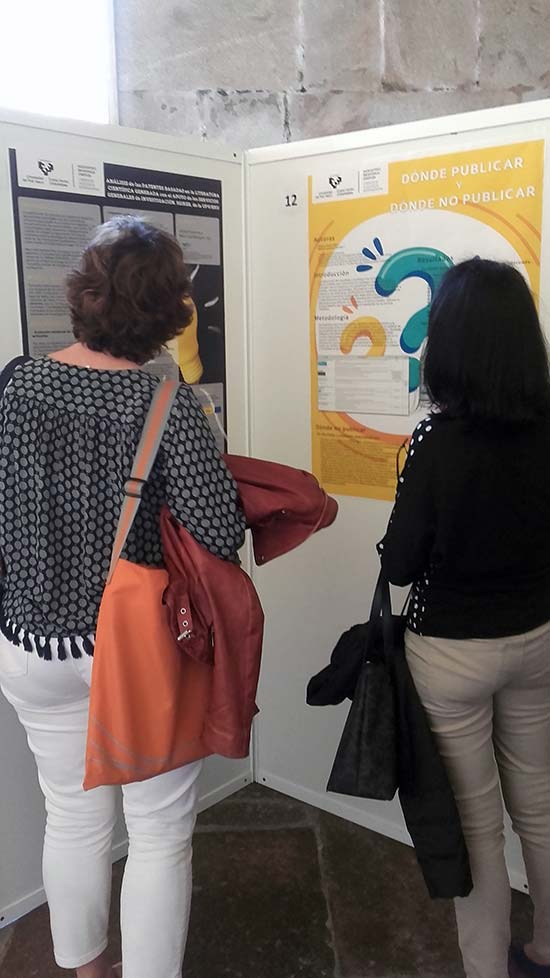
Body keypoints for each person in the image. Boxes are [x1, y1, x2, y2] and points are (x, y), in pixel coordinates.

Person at [0, 216, 246, 978]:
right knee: (159, 831)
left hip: (28, 642)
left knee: (72, 814)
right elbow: (220, 531)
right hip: (130, 648)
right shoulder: (167, 404)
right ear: (169, 312)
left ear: (84, 292)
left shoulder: (14, 383)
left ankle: (84, 969)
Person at [379, 258, 550, 978]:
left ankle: (487, 969)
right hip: (537, 638)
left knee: (476, 825)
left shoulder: (436, 441)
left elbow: (400, 565)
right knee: (540, 804)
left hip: (450, 653)